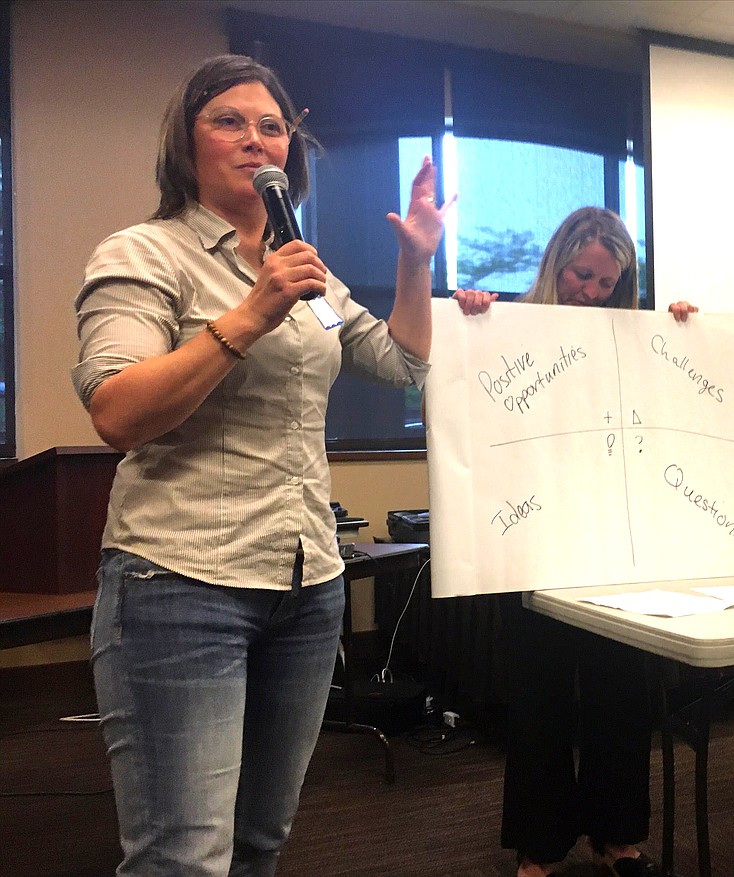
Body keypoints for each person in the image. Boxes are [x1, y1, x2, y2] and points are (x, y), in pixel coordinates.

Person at [71, 55, 450, 876]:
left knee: (260, 841)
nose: (255, 139)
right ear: (187, 141)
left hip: (307, 586)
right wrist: (251, 311)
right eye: (229, 122)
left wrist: (417, 261)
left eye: (271, 125)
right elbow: (117, 412)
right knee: (184, 856)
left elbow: (403, 363)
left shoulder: (305, 267)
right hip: (179, 583)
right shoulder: (145, 254)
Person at [455, 207, 696, 877]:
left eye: (609, 283)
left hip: (616, 542)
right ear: (556, 260)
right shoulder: (507, 327)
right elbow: (461, 404)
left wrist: (685, 336)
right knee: (540, 698)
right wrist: (472, 318)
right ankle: (539, 844)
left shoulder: (632, 337)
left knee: (623, 689)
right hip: (530, 539)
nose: (593, 291)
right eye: (582, 274)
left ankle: (617, 835)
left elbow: (675, 406)